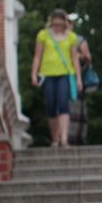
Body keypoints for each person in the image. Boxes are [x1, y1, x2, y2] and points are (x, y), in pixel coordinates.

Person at [29, 9, 83, 148]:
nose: (57, 24)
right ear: (51, 21)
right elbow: (37, 56)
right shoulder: (43, 35)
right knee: (51, 105)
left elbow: (74, 58)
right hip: (47, 74)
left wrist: (78, 78)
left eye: (60, 21)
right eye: (55, 21)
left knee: (63, 104)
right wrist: (34, 74)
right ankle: (55, 137)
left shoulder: (71, 37)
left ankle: (64, 138)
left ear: (64, 22)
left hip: (65, 74)